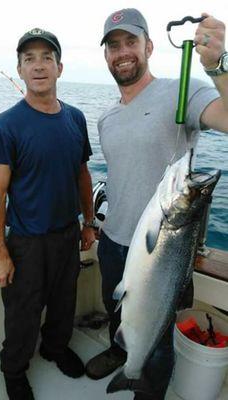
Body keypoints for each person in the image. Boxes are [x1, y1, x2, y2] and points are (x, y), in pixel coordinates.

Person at [85, 8, 228, 400]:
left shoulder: (182, 90)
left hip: (164, 252)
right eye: (113, 46)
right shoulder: (106, 117)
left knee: (158, 340)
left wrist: (219, 64)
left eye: (131, 42)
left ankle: (145, 388)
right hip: (113, 239)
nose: (122, 52)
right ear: (106, 56)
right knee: (117, 310)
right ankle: (120, 352)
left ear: (149, 46)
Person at [0, 27, 96, 400]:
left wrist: (89, 222)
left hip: (67, 234)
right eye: (29, 59)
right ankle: (13, 371)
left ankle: (54, 348)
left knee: (65, 301)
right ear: (19, 69)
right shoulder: (6, 125)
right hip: (27, 242)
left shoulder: (76, 119)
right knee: (22, 315)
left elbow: (82, 174)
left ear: (59, 67)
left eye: (46, 58)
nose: (38, 66)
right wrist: (0, 253)